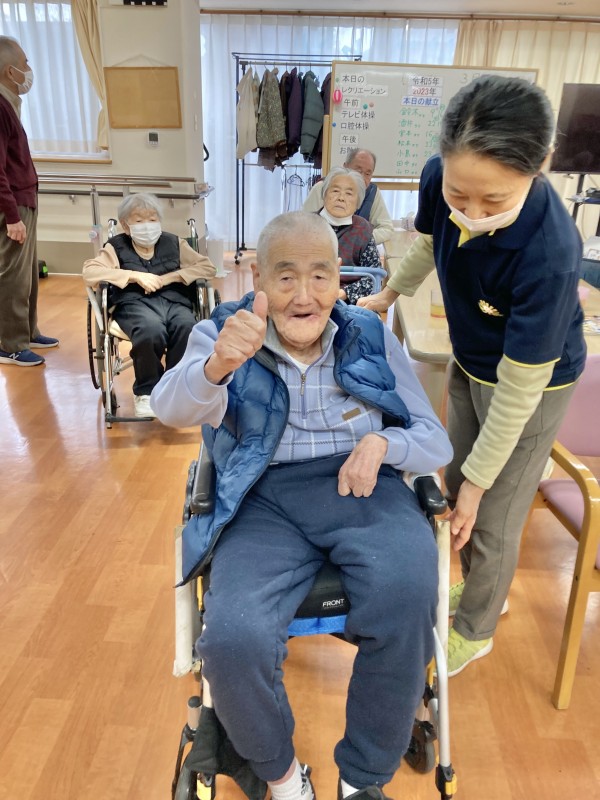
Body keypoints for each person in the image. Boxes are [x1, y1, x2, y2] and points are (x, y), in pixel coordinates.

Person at [151, 211, 452, 800]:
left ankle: (362, 780)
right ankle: (284, 778)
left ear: (339, 279)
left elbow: (433, 438)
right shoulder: (224, 332)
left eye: (320, 276)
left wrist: (385, 444)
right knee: (231, 638)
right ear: (259, 279)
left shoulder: (369, 334)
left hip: (362, 487)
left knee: (408, 592)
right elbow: (169, 409)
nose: (304, 295)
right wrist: (216, 368)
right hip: (262, 497)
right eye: (286, 277)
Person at [358, 75, 587, 677]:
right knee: (456, 479)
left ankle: (478, 628)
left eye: (494, 201)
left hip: (532, 385)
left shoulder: (549, 252)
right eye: (460, 195)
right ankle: (486, 584)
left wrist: (482, 486)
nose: (472, 213)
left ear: (540, 165)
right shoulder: (440, 177)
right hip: (471, 356)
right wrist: (388, 295)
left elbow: (519, 391)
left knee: (493, 508)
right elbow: (427, 242)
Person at [82, 192, 215, 418]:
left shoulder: (174, 243)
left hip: (174, 300)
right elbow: (90, 272)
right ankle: (147, 392)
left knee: (187, 327)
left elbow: (207, 267)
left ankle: (175, 387)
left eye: (152, 219)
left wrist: (170, 278)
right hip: (134, 303)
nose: (147, 225)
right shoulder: (115, 247)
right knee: (150, 330)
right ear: (126, 225)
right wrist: (134, 276)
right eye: (139, 220)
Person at [0, 36, 58, 367]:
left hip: (25, 199)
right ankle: (10, 344)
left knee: (27, 275)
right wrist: (11, 215)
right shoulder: (0, 108)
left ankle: (28, 331)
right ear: (10, 71)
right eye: (24, 63)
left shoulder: (10, 104)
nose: (28, 69)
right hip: (13, 205)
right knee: (13, 275)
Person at [303, 148, 394, 244]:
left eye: (368, 174)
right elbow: (305, 224)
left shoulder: (372, 192)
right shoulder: (322, 187)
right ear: (345, 167)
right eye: (358, 171)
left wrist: (358, 239)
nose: (362, 178)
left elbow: (386, 228)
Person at [319, 166, 381, 305]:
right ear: (324, 194)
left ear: (358, 202)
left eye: (349, 193)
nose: (341, 198)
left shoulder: (363, 229)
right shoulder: (307, 224)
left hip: (349, 303)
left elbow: (375, 277)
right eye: (335, 191)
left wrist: (344, 293)